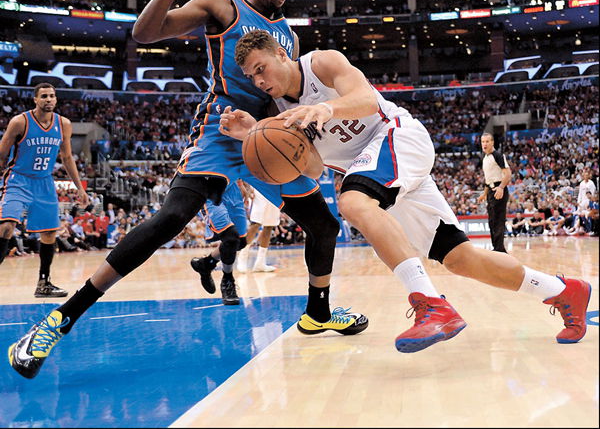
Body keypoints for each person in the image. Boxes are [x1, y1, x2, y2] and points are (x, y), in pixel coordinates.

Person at [8, 0, 366, 380]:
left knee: (324, 225)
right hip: (220, 129)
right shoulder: (223, 5)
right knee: (171, 218)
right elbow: (144, 33)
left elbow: (280, 99)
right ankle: (56, 321)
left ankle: (318, 312)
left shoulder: (288, 36)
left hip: (264, 138)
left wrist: (296, 140)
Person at [220, 29, 592, 353]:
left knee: (351, 200)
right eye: (252, 78)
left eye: (261, 69)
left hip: (396, 136)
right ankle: (562, 290)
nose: (259, 81)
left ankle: (431, 304)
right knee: (460, 258)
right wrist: (255, 135)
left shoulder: (321, 64)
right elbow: (315, 167)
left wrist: (327, 108)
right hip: (378, 172)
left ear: (281, 54)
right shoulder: (277, 113)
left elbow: (365, 99)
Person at [0, 83, 89, 297]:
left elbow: (67, 158)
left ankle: (44, 283)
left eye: (52, 96)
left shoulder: (63, 124)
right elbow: (2, 153)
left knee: (49, 233)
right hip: (18, 179)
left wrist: (80, 188)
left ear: (56, 99)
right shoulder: (19, 122)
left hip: (44, 182)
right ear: (35, 100)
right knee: (6, 227)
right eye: (44, 96)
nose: (48, 99)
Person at [191, 180, 249, 305]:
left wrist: (241, 183)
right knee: (231, 238)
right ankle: (228, 280)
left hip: (232, 186)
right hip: (210, 189)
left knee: (240, 241)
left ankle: (206, 263)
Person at [477, 133, 511, 253]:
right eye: (483, 142)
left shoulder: (497, 155)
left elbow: (508, 174)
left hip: (499, 189)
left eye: (487, 141)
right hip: (491, 190)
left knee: (498, 221)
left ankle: (500, 250)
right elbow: (488, 180)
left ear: (492, 142)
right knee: (492, 221)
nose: (484, 144)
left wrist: (501, 187)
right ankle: (496, 248)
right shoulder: (485, 158)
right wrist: (484, 193)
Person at [238, 186, 280, 272]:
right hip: (260, 186)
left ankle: (260, 262)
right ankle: (242, 257)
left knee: (269, 226)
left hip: (276, 189)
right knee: (256, 223)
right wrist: (248, 187)